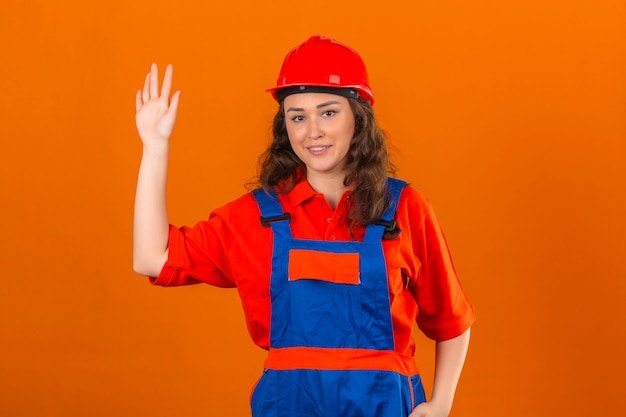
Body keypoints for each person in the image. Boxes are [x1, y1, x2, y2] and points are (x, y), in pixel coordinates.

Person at [133, 35, 475, 417]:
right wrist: (154, 146)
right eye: (298, 116)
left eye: (328, 112)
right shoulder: (258, 218)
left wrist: (441, 404)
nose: (312, 130)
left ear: (358, 118)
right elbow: (152, 258)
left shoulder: (404, 209)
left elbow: (452, 319)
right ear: (286, 127)